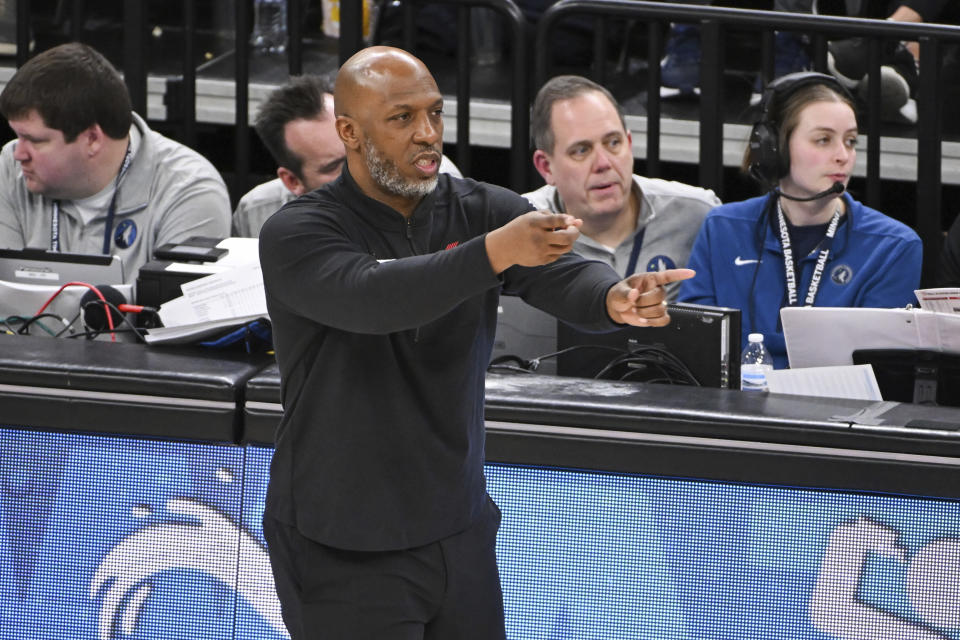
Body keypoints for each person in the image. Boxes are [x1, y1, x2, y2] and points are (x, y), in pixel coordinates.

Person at [257, 45, 693, 639]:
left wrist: (613, 298)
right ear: (350, 133)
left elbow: (561, 268)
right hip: (342, 540)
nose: (427, 134)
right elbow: (374, 298)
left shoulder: (481, 210)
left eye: (434, 114)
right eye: (402, 118)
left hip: (456, 526)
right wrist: (496, 252)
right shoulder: (299, 231)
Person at [678, 71, 921, 369]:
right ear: (774, 148)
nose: (843, 155)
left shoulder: (894, 247)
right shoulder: (722, 228)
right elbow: (695, 345)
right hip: (730, 407)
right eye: (823, 140)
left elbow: (875, 368)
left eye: (850, 141)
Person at [0, 43, 231, 282]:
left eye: (34, 140)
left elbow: (177, 314)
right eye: (18, 136)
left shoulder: (189, 191)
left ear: (92, 139)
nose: (19, 153)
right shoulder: (9, 169)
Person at [525, 75, 720, 302]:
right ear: (546, 166)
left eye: (613, 143)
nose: (603, 163)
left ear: (629, 144)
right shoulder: (520, 229)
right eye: (581, 150)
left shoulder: (697, 214)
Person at [234, 74, 461, 238]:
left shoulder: (435, 182)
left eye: (361, 148)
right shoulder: (258, 213)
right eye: (335, 166)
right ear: (292, 181)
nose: (364, 169)